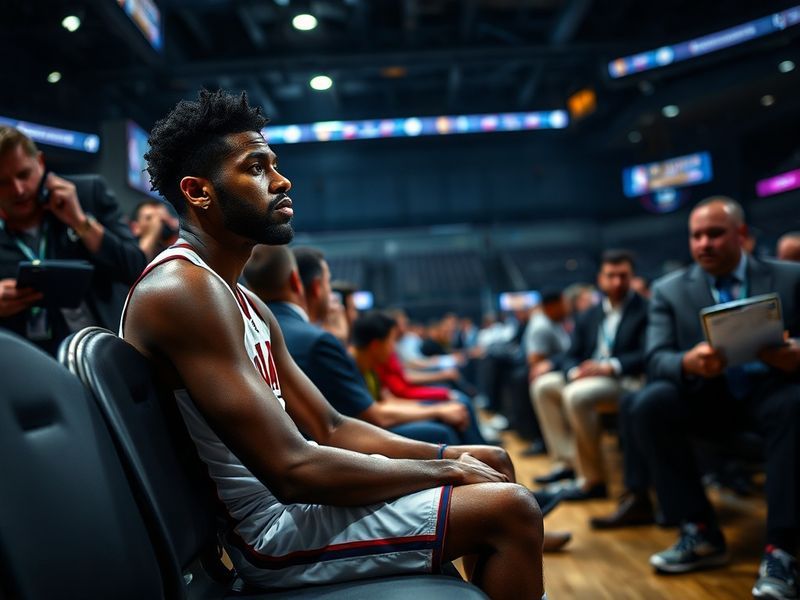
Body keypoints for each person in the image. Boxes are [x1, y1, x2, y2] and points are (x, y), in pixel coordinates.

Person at [120, 90, 544, 597]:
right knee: (510, 507)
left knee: (491, 461)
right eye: (255, 168)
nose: (281, 181)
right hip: (267, 535)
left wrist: (450, 453)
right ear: (198, 192)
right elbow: (293, 469)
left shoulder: (242, 298)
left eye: (274, 164)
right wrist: (446, 469)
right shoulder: (182, 290)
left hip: (296, 508)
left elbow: (332, 425)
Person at [631, 197, 799, 598]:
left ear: (741, 235)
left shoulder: (791, 277)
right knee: (651, 401)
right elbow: (655, 359)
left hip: (774, 391)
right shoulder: (669, 291)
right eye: (696, 235)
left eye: (715, 233)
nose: (704, 243)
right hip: (707, 397)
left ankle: (783, 549)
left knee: (795, 402)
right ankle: (699, 529)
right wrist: (688, 361)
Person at [243, 244, 468, 445]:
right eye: (328, 282)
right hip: (331, 451)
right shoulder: (317, 341)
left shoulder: (248, 333)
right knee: (443, 434)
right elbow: (354, 421)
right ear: (305, 284)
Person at [0, 126, 146, 355]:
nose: (18, 190)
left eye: (23, 175)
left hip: (114, 353)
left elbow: (135, 267)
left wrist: (80, 222)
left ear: (40, 161)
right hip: (41, 369)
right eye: (3, 183)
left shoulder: (88, 193)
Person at [532, 250, 648, 500]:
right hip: (589, 377)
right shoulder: (590, 314)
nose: (617, 282)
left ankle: (593, 481)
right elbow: (570, 354)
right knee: (543, 386)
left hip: (626, 380)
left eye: (623, 276)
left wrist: (611, 366)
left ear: (632, 277)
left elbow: (647, 353)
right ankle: (567, 463)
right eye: (611, 276)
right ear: (600, 279)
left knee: (576, 395)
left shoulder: (645, 309)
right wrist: (575, 371)